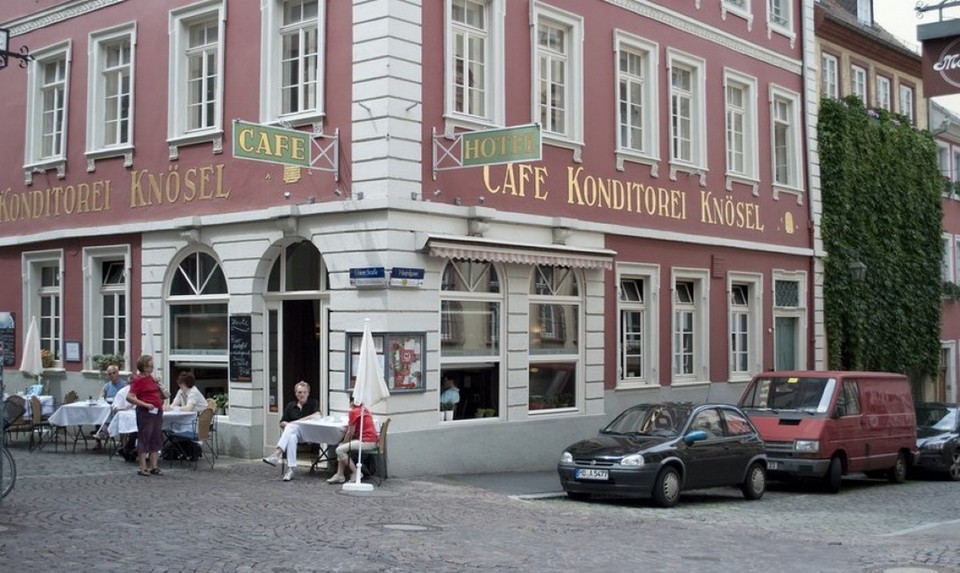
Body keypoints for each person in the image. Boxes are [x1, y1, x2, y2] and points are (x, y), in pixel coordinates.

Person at [262, 381, 322, 482]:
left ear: (308, 393)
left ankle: (277, 454)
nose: (302, 394)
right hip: (296, 434)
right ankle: (291, 469)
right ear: (295, 394)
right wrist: (290, 425)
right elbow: (281, 423)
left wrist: (296, 423)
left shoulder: (313, 403)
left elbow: (317, 415)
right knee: (291, 437)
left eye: (304, 392)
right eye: (299, 392)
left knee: (291, 426)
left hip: (309, 434)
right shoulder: (291, 406)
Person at [126, 354, 165, 476]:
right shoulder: (138, 380)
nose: (152, 367)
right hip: (145, 412)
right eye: (150, 365)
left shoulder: (151, 379)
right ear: (144, 367)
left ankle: (154, 466)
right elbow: (130, 397)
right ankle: (142, 467)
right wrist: (144, 404)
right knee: (144, 437)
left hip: (157, 410)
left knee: (156, 437)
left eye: (152, 365)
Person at [326, 396, 379, 484]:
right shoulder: (364, 409)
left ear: (351, 401)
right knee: (341, 447)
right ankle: (340, 475)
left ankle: (356, 472)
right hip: (372, 440)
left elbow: (351, 432)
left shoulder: (354, 411)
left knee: (339, 450)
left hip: (366, 441)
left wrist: (344, 442)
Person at [92, 365, 127, 449]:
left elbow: (126, 398)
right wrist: (101, 398)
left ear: (117, 373)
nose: (112, 375)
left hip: (118, 409)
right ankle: (99, 441)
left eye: (113, 373)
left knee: (116, 416)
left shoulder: (123, 385)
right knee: (98, 416)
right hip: (107, 407)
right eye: (109, 374)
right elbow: (101, 396)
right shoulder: (107, 385)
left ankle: (106, 433)